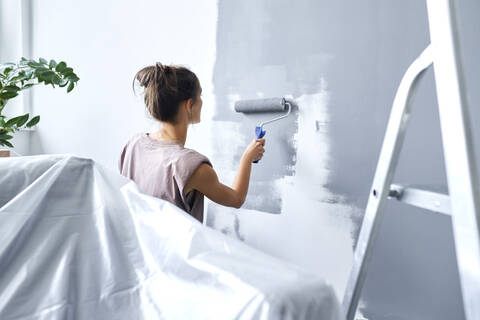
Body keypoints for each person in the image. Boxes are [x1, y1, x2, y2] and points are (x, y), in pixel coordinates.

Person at [119, 62, 265, 223]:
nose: (202, 101)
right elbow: (236, 199)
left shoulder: (133, 145)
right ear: (189, 105)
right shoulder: (191, 167)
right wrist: (247, 158)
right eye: (200, 95)